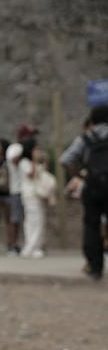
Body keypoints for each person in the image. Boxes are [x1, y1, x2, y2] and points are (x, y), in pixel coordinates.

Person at [60, 104, 108, 280]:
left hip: (93, 187)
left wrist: (79, 175)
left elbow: (65, 160)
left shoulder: (86, 138)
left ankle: (95, 268)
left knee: (91, 225)